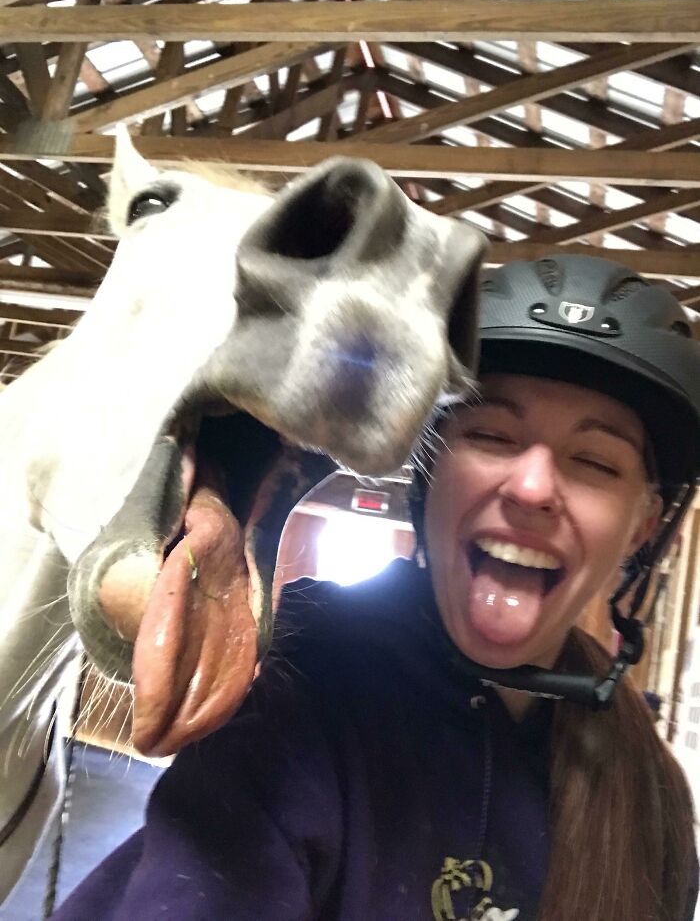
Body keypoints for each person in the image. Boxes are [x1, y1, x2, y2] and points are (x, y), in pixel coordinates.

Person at [51, 255, 700, 921]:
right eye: (491, 434)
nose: (533, 488)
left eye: (594, 462)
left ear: (643, 526)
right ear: (430, 476)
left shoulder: (647, 792)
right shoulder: (299, 682)